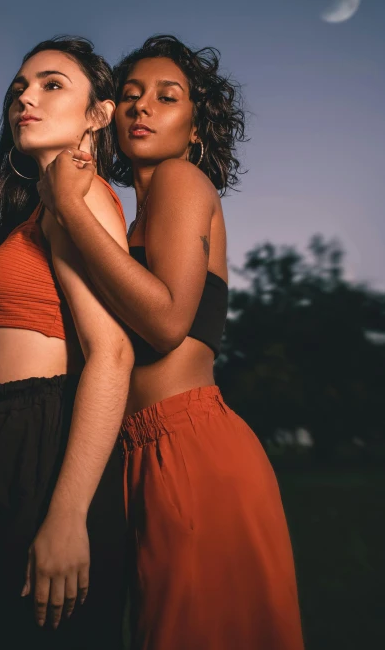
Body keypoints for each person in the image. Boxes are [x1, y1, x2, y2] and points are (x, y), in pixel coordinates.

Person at [38, 34, 305, 650]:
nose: (141, 107)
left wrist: (71, 210)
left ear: (195, 127)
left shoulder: (184, 181)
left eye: (166, 96)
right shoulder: (132, 221)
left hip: (191, 447)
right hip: (143, 453)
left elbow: (165, 322)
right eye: (130, 96)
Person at [0, 36, 133, 650]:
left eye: (52, 85)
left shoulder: (81, 199)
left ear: (98, 114)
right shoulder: (42, 209)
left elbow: (111, 353)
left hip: (47, 453)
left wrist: (69, 515)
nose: (26, 97)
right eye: (20, 88)